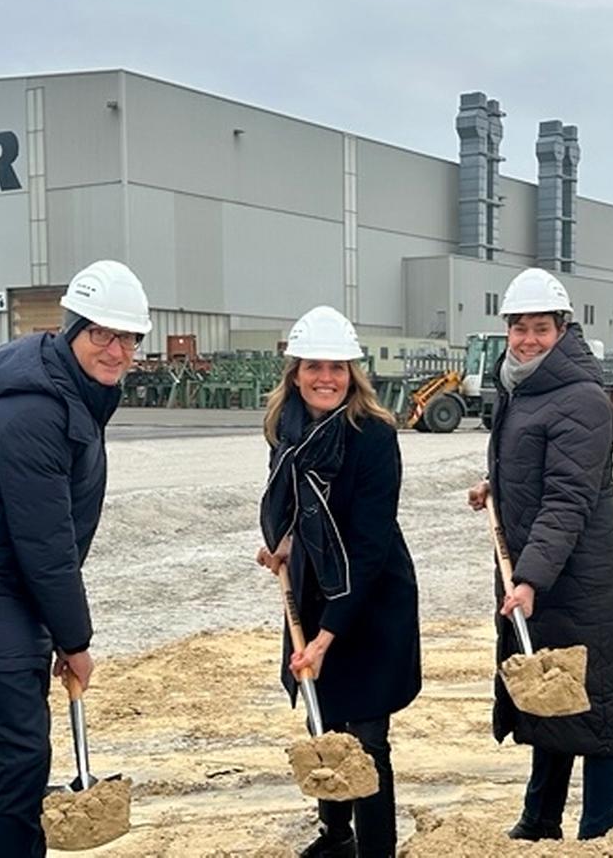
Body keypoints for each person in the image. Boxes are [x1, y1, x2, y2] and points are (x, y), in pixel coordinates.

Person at [0, 259, 150, 856]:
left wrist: (53, 629)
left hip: (7, 594)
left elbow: (51, 544)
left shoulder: (69, 395)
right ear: (72, 329)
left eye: (127, 337)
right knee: (22, 756)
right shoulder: (34, 412)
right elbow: (46, 542)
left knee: (24, 753)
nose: (116, 349)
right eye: (101, 332)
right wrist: (75, 641)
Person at [464, 267, 613, 840]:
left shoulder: (581, 399)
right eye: (520, 328)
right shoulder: (521, 388)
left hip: (583, 578)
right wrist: (497, 487)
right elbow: (538, 475)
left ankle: (599, 832)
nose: (529, 339)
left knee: (600, 707)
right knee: (548, 693)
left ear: (563, 329)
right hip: (540, 573)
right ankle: (539, 820)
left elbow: (567, 499)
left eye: (541, 328)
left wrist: (530, 578)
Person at [257, 305, 420, 858]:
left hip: (371, 597)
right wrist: (281, 542)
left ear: (354, 373)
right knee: (323, 723)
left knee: (367, 738)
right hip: (311, 587)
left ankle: (377, 851)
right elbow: (296, 504)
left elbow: (370, 540)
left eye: (338, 367)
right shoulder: (287, 429)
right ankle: (337, 837)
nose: (326, 378)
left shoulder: (372, 435)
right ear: (295, 372)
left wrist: (328, 636)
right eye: (314, 366)